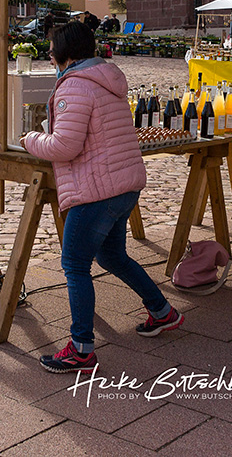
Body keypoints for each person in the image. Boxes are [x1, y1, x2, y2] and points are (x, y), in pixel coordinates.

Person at [22, 22, 184, 373]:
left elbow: (64, 146)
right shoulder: (106, 77)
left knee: (75, 264)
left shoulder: (75, 85)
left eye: (51, 49)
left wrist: (30, 139)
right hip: (123, 185)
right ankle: (162, 312)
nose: (48, 54)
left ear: (65, 52)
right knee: (111, 255)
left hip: (97, 190)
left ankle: (81, 349)